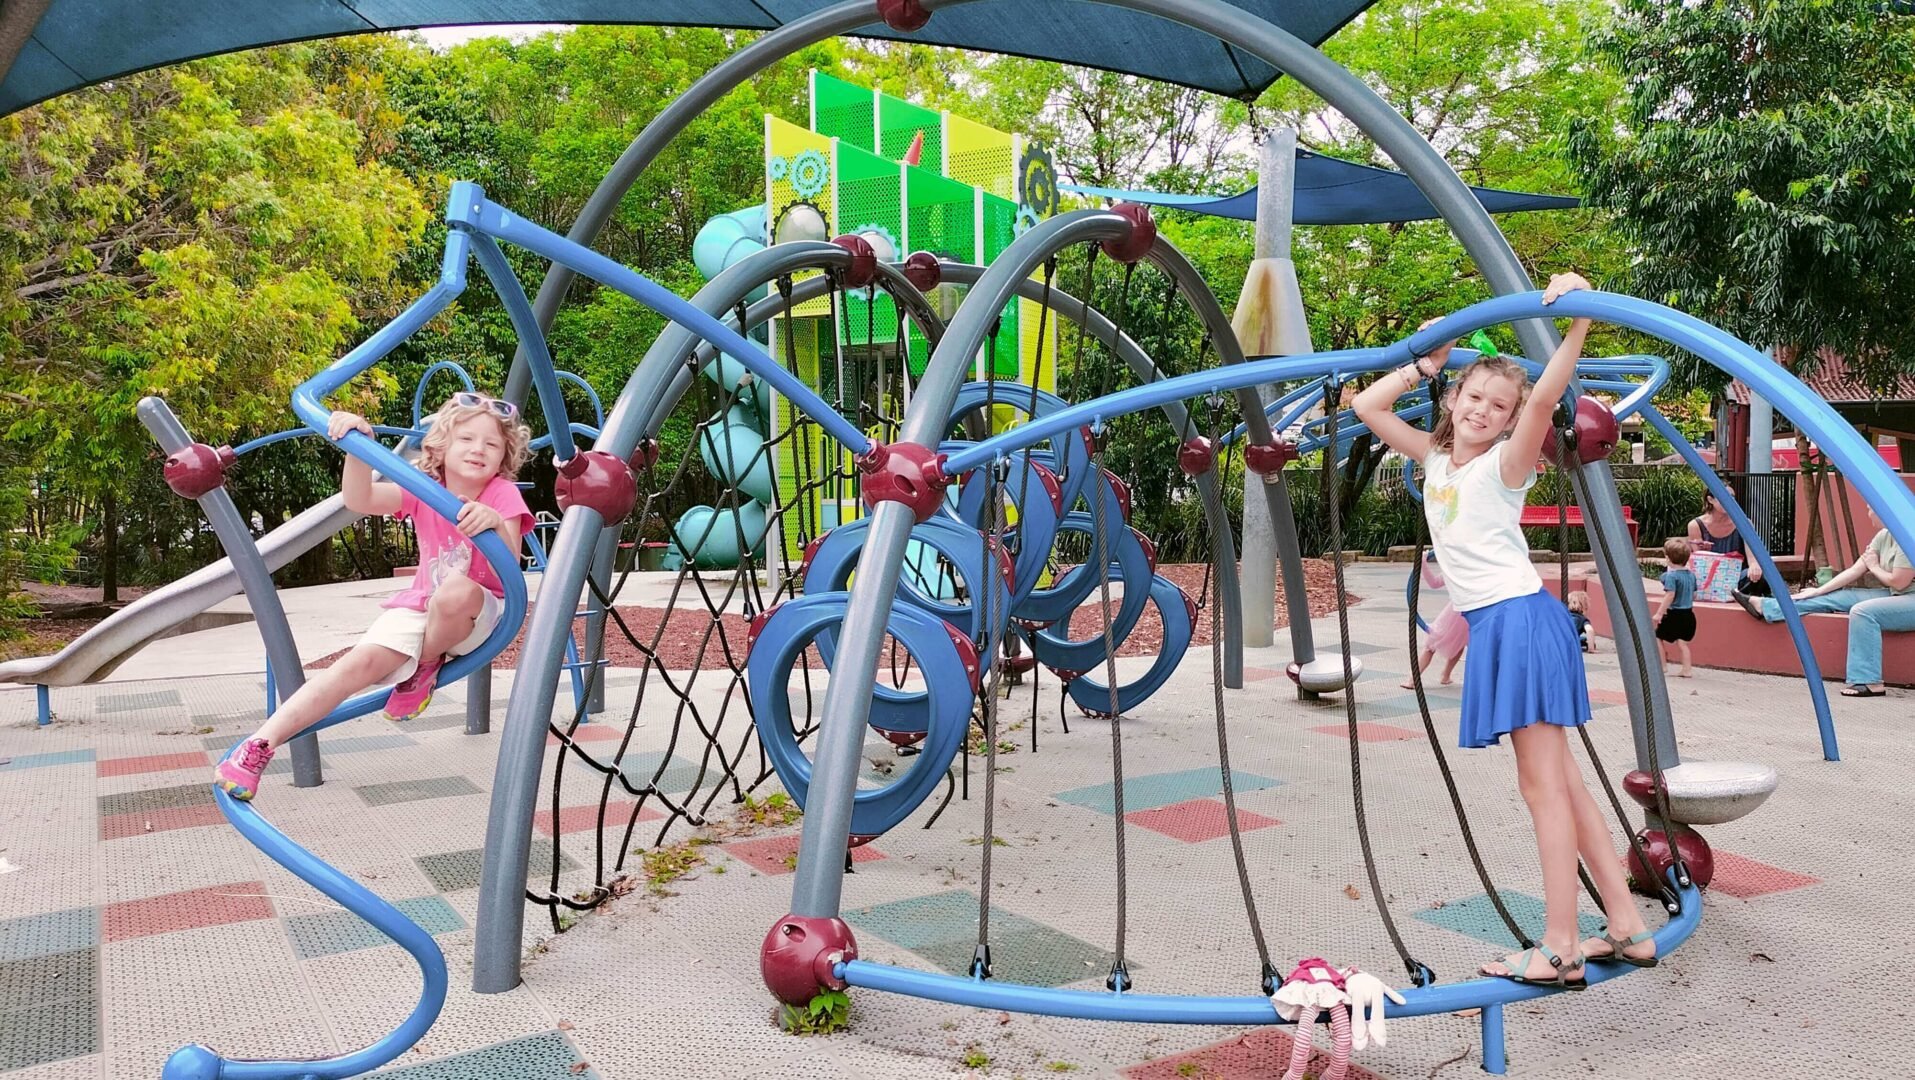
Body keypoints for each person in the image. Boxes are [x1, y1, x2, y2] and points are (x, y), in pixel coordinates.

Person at [1354, 272, 1657, 988]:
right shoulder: (1431, 460)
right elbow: (1367, 404)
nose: (1483, 411)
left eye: (1499, 404)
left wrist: (1574, 322)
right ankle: (1625, 923)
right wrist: (1426, 361)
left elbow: (1547, 399)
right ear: (1452, 401)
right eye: (1473, 398)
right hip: (1501, 627)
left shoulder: (1505, 465)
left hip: (1519, 622)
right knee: (1565, 785)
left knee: (1541, 790)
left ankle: (1557, 947)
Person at [213, 392, 534, 800]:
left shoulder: (502, 494)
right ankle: (257, 746)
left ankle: (425, 664)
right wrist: (358, 449)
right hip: (424, 607)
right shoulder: (425, 489)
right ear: (441, 446)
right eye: (467, 439)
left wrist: (494, 525)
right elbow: (358, 499)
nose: (478, 450)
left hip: (480, 614)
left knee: (456, 590)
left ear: (504, 455)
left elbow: (512, 566)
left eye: (491, 444)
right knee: (357, 663)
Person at [1732, 505, 1914, 697]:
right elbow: (1855, 571)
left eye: (1871, 508)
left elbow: (1899, 582)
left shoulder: (1908, 537)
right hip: (1897, 595)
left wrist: (1875, 567)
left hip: (1908, 597)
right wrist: (1817, 591)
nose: (1868, 512)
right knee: (1835, 597)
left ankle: (1869, 681)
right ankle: (1768, 607)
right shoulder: (1884, 536)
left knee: (1863, 611)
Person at [1403, 555, 1468, 689]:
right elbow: (1434, 583)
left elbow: (1434, 583)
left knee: (1432, 644)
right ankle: (1443, 676)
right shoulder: (1461, 571)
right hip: (1468, 613)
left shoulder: (1455, 571)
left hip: (1457, 612)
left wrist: (1423, 562)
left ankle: (1414, 679)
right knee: (1456, 644)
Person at [1688, 492, 1767, 596]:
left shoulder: (1743, 522)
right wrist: (1705, 550)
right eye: (1724, 496)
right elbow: (1699, 561)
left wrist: (1754, 565)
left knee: (1758, 576)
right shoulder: (1696, 525)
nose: (1729, 500)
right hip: (1710, 577)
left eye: (1732, 496)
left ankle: (1749, 600)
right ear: (1710, 499)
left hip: (1737, 574)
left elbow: (1751, 553)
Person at [1653, 538, 1697, 678]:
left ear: (1668, 558)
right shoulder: (1691, 576)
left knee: (1657, 637)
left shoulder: (1672, 576)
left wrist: (1659, 613)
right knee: (1682, 643)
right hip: (1688, 614)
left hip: (1674, 614)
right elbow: (1694, 594)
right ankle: (1687, 669)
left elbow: (1670, 595)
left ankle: (1662, 665)